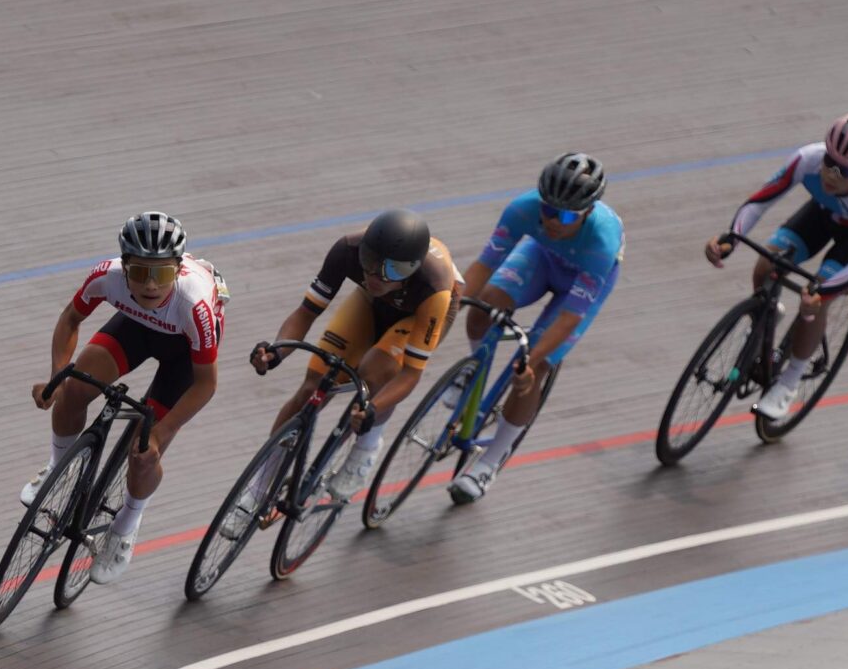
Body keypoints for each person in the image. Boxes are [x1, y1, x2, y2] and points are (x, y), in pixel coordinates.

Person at [25, 211, 225, 582]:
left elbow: (206, 384)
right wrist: (56, 378)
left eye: (162, 273)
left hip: (184, 353)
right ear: (124, 266)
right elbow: (70, 319)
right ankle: (57, 469)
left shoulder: (193, 305)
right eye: (140, 272)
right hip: (137, 327)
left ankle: (126, 526)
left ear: (179, 269)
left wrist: (161, 435)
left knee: (143, 453)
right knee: (73, 389)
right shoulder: (107, 276)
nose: (150, 284)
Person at [447, 152, 624, 504]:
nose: (555, 220)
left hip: (582, 279)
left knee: (535, 366)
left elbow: (571, 315)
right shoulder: (523, 209)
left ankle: (490, 461)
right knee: (487, 299)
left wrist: (531, 360)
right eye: (549, 210)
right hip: (542, 258)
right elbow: (484, 266)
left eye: (567, 215)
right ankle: (473, 370)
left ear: (587, 212)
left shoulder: (602, 243)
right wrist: (451, 308)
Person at [704, 114, 848, 422]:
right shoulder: (807, 159)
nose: (832, 174)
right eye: (829, 161)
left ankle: (789, 382)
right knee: (767, 262)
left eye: (844, 171)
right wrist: (731, 240)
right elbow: (759, 202)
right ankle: (766, 315)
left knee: (817, 297)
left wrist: (823, 292)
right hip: (824, 212)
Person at [252, 208, 458, 500]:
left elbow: (411, 374)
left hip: (420, 314)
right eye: (370, 262)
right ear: (364, 251)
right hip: (373, 302)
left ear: (411, 269)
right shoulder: (347, 250)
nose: (375, 275)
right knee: (314, 384)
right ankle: (260, 485)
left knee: (375, 373)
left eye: (392, 270)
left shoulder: (433, 288)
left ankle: (366, 448)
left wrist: (371, 409)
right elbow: (305, 313)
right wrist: (276, 352)